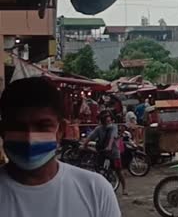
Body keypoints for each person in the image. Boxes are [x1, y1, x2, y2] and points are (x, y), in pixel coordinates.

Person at [0, 77, 120, 217]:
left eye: (43, 126)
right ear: (2, 131)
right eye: (18, 127)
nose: (29, 137)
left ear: (61, 130)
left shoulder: (96, 190)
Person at [84, 110, 128, 195]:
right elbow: (90, 136)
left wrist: (109, 146)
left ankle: (124, 188)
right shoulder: (98, 129)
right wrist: (84, 144)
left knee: (118, 171)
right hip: (103, 151)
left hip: (114, 152)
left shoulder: (114, 127)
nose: (109, 121)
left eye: (109, 120)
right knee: (98, 169)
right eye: (106, 120)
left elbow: (112, 137)